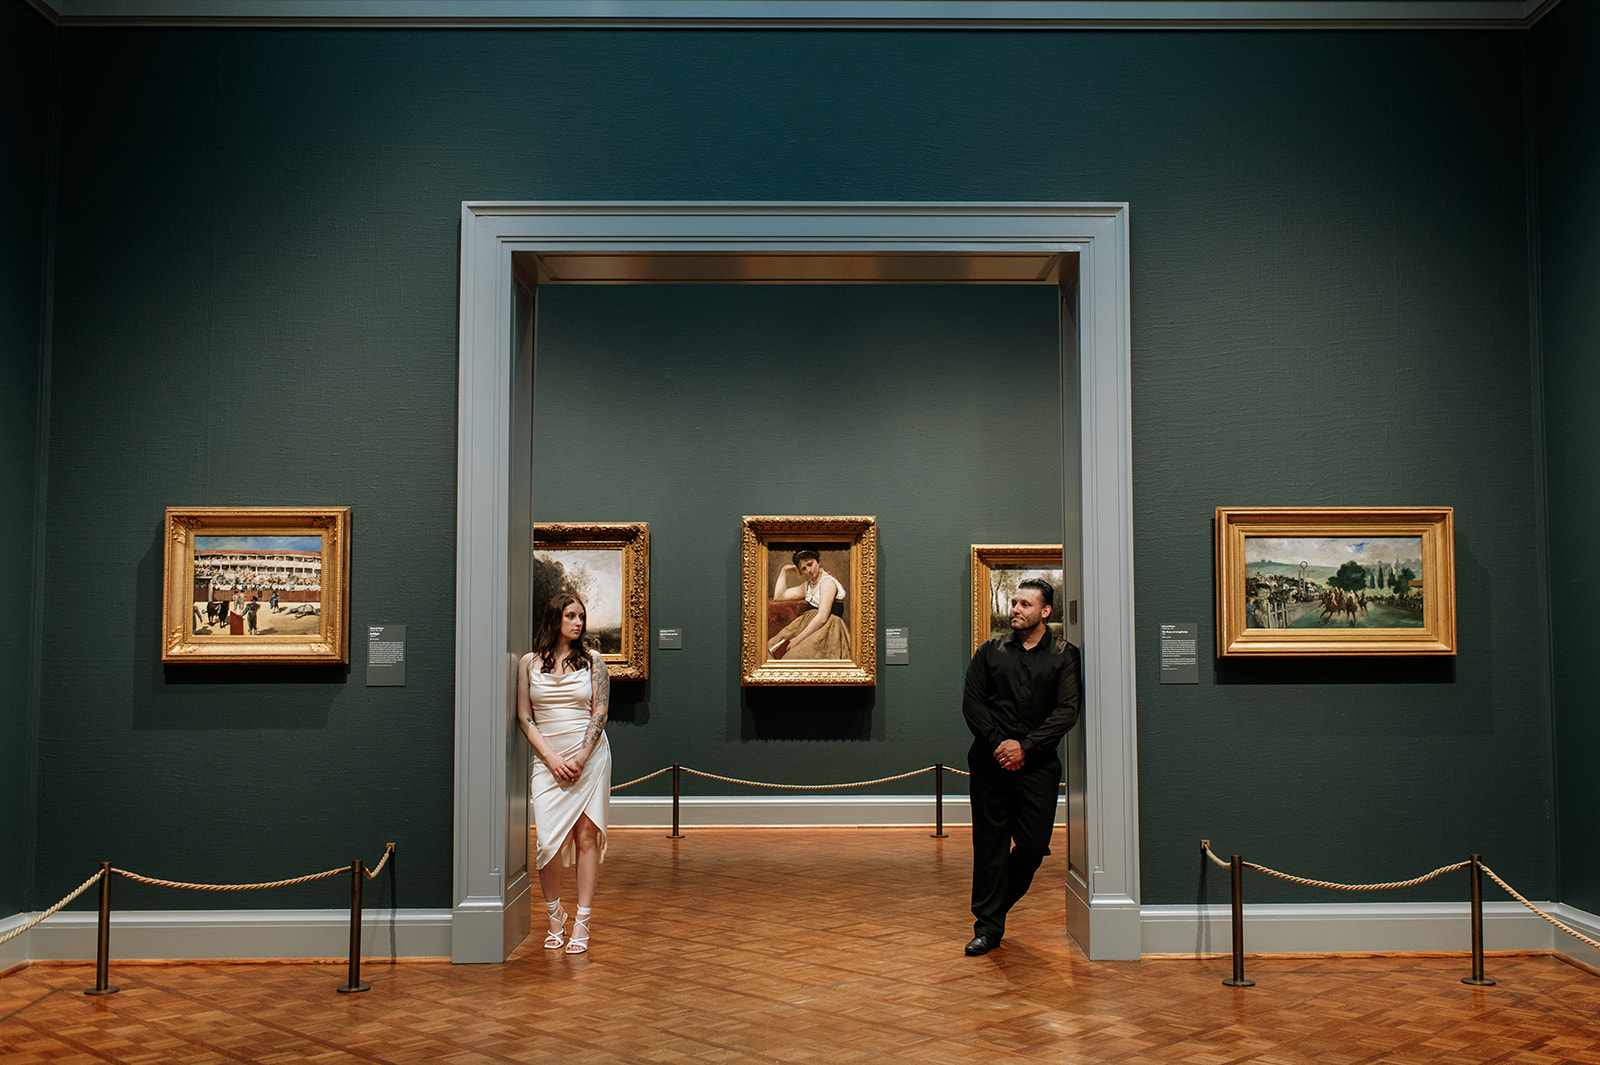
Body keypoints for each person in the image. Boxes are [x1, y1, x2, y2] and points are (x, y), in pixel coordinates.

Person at [960, 577, 1081, 956]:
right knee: (990, 846)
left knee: (1031, 846)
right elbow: (973, 703)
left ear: (1045, 612)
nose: (1015, 609)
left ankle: (994, 909)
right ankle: (988, 927)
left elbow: (1067, 710)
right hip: (989, 764)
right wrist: (1000, 746)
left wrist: (1024, 748)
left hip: (1039, 766)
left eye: (1025, 604)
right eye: (1014, 602)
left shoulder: (1064, 654)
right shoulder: (989, 651)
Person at [518, 593, 612, 954]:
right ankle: (555, 916)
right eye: (571, 616)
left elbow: (599, 713)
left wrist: (582, 757)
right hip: (547, 761)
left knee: (586, 838)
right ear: (555, 617)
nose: (577, 623)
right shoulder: (529, 663)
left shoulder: (593, 662)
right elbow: (525, 716)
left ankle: (583, 922)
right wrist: (551, 758)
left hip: (589, 759)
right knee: (548, 843)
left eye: (581, 617)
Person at [767, 549, 850, 659]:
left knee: (794, 655)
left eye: (810, 564)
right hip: (809, 624)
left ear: (819, 562)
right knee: (772, 645)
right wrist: (784, 571)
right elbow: (779, 597)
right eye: (804, 568)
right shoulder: (809, 585)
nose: (809, 570)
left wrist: (797, 640)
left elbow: (822, 617)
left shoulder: (827, 583)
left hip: (829, 629)